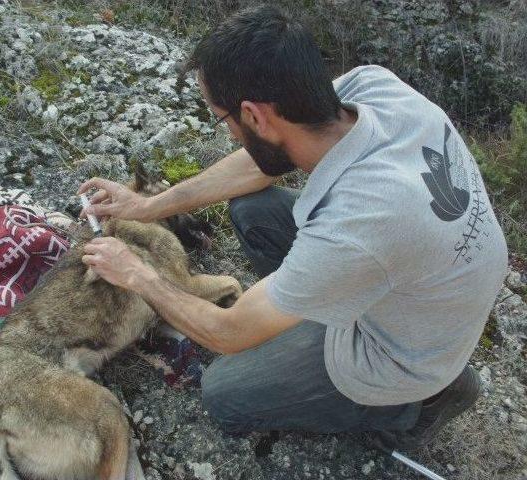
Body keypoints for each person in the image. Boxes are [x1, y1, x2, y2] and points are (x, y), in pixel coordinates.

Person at [78, 5, 508, 450]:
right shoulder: (373, 87)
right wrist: (148, 206)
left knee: (224, 394)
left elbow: (227, 333)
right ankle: (311, 307)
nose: (228, 134)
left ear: (255, 115)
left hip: (403, 353)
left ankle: (420, 401)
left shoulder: (355, 228)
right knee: (253, 208)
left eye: (223, 119)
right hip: (425, 290)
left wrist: (138, 275)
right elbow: (256, 165)